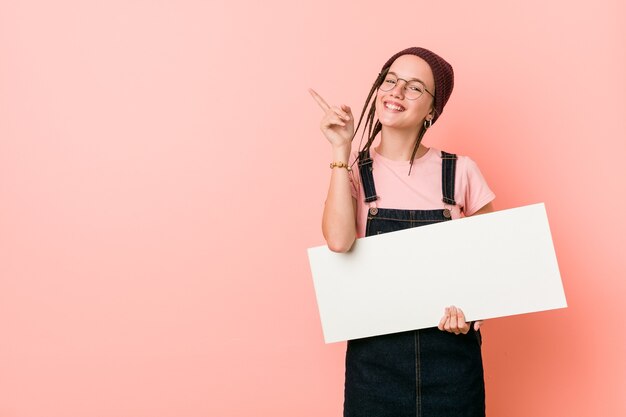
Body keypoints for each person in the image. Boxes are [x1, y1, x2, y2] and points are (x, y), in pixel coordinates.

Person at [310, 47, 496, 417]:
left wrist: (473, 311)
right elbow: (338, 241)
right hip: (374, 366)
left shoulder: (460, 172)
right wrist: (340, 148)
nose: (395, 92)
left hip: (452, 363)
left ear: (431, 110)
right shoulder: (355, 173)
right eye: (390, 80)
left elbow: (493, 264)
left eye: (413, 87)